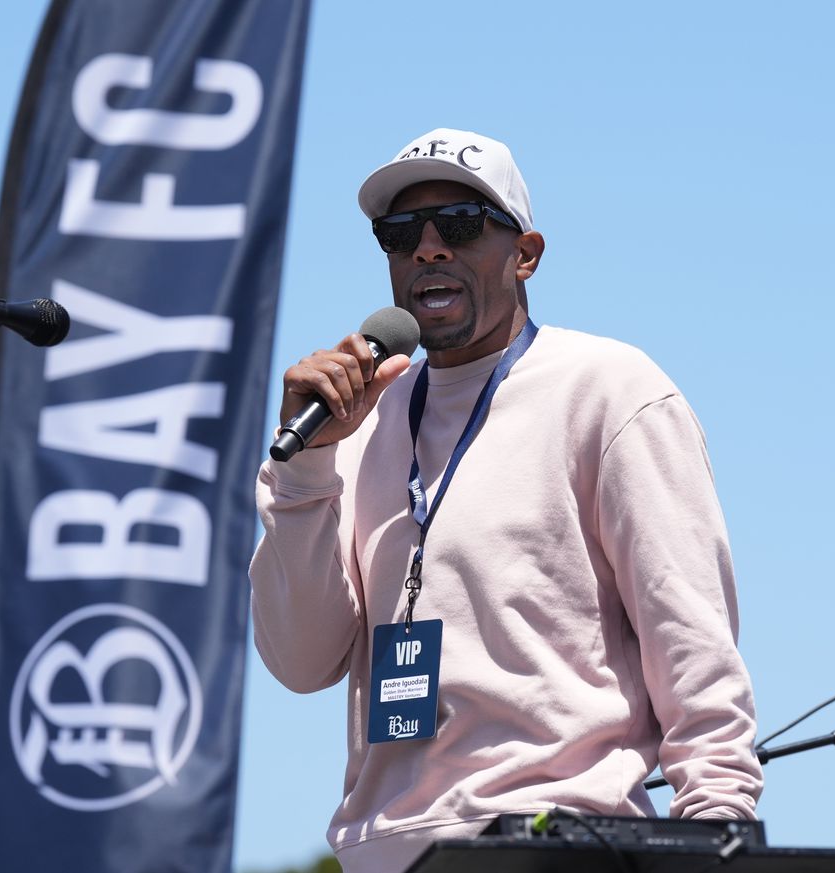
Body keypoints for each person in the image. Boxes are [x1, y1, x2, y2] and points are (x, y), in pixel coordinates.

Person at [249, 128, 763, 873]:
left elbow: (693, 643)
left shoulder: (609, 390)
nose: (427, 249)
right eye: (399, 235)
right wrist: (307, 466)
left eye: (457, 224)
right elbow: (299, 661)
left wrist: (719, 831)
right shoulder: (354, 427)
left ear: (525, 254)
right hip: (384, 856)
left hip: (560, 846)